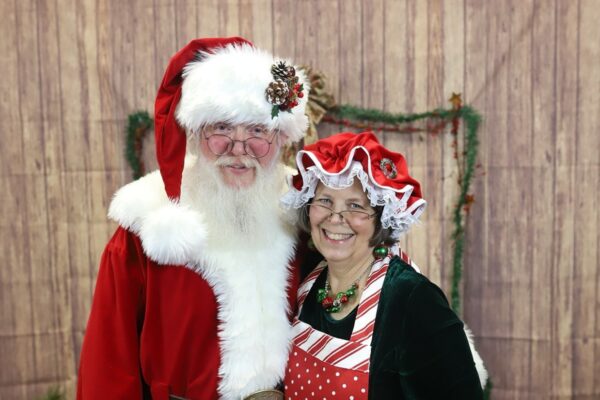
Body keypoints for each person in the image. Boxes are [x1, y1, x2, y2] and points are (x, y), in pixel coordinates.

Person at [77, 37, 310, 399]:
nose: (238, 149)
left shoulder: (304, 211)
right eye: (220, 129)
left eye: (257, 131)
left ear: (281, 137)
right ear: (195, 133)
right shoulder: (149, 220)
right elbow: (109, 359)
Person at [280, 132, 488, 399]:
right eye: (325, 201)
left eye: (355, 205)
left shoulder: (414, 300)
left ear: (382, 218)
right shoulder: (309, 278)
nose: (335, 218)